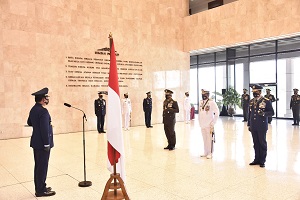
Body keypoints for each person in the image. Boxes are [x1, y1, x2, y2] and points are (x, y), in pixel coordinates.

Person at [27, 88, 56, 197]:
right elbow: (44, 129)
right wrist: (47, 144)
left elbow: (29, 122)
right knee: (42, 166)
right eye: (46, 97)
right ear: (43, 99)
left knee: (38, 166)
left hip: (36, 142)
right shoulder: (43, 111)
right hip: (43, 144)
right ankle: (41, 190)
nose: (47, 99)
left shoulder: (33, 109)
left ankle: (40, 186)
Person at [248, 84, 274, 168]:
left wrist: (264, 114)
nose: (254, 93)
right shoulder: (251, 101)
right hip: (253, 125)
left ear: (260, 91)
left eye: (256, 92)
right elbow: (250, 114)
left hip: (262, 125)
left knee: (262, 143)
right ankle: (256, 159)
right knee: (255, 143)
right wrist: (249, 124)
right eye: (253, 92)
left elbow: (272, 112)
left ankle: (262, 160)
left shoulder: (266, 101)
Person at [198, 89, 219, 159]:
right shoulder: (201, 102)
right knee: (204, 139)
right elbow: (200, 113)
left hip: (209, 124)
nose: (203, 96)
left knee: (210, 139)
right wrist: (200, 122)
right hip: (202, 124)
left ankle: (210, 153)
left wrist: (213, 123)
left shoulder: (211, 102)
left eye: (204, 94)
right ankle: (205, 152)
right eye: (202, 94)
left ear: (207, 95)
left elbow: (217, 112)